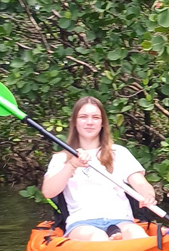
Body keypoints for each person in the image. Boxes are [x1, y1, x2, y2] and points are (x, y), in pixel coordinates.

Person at [41, 96, 157, 242]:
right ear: (75, 123)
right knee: (98, 237)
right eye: (83, 117)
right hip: (82, 223)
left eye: (95, 117)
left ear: (102, 123)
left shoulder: (118, 153)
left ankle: (116, 236)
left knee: (136, 234)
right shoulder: (62, 158)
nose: (89, 122)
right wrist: (72, 165)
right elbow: (48, 191)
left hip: (121, 220)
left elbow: (140, 183)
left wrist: (148, 195)